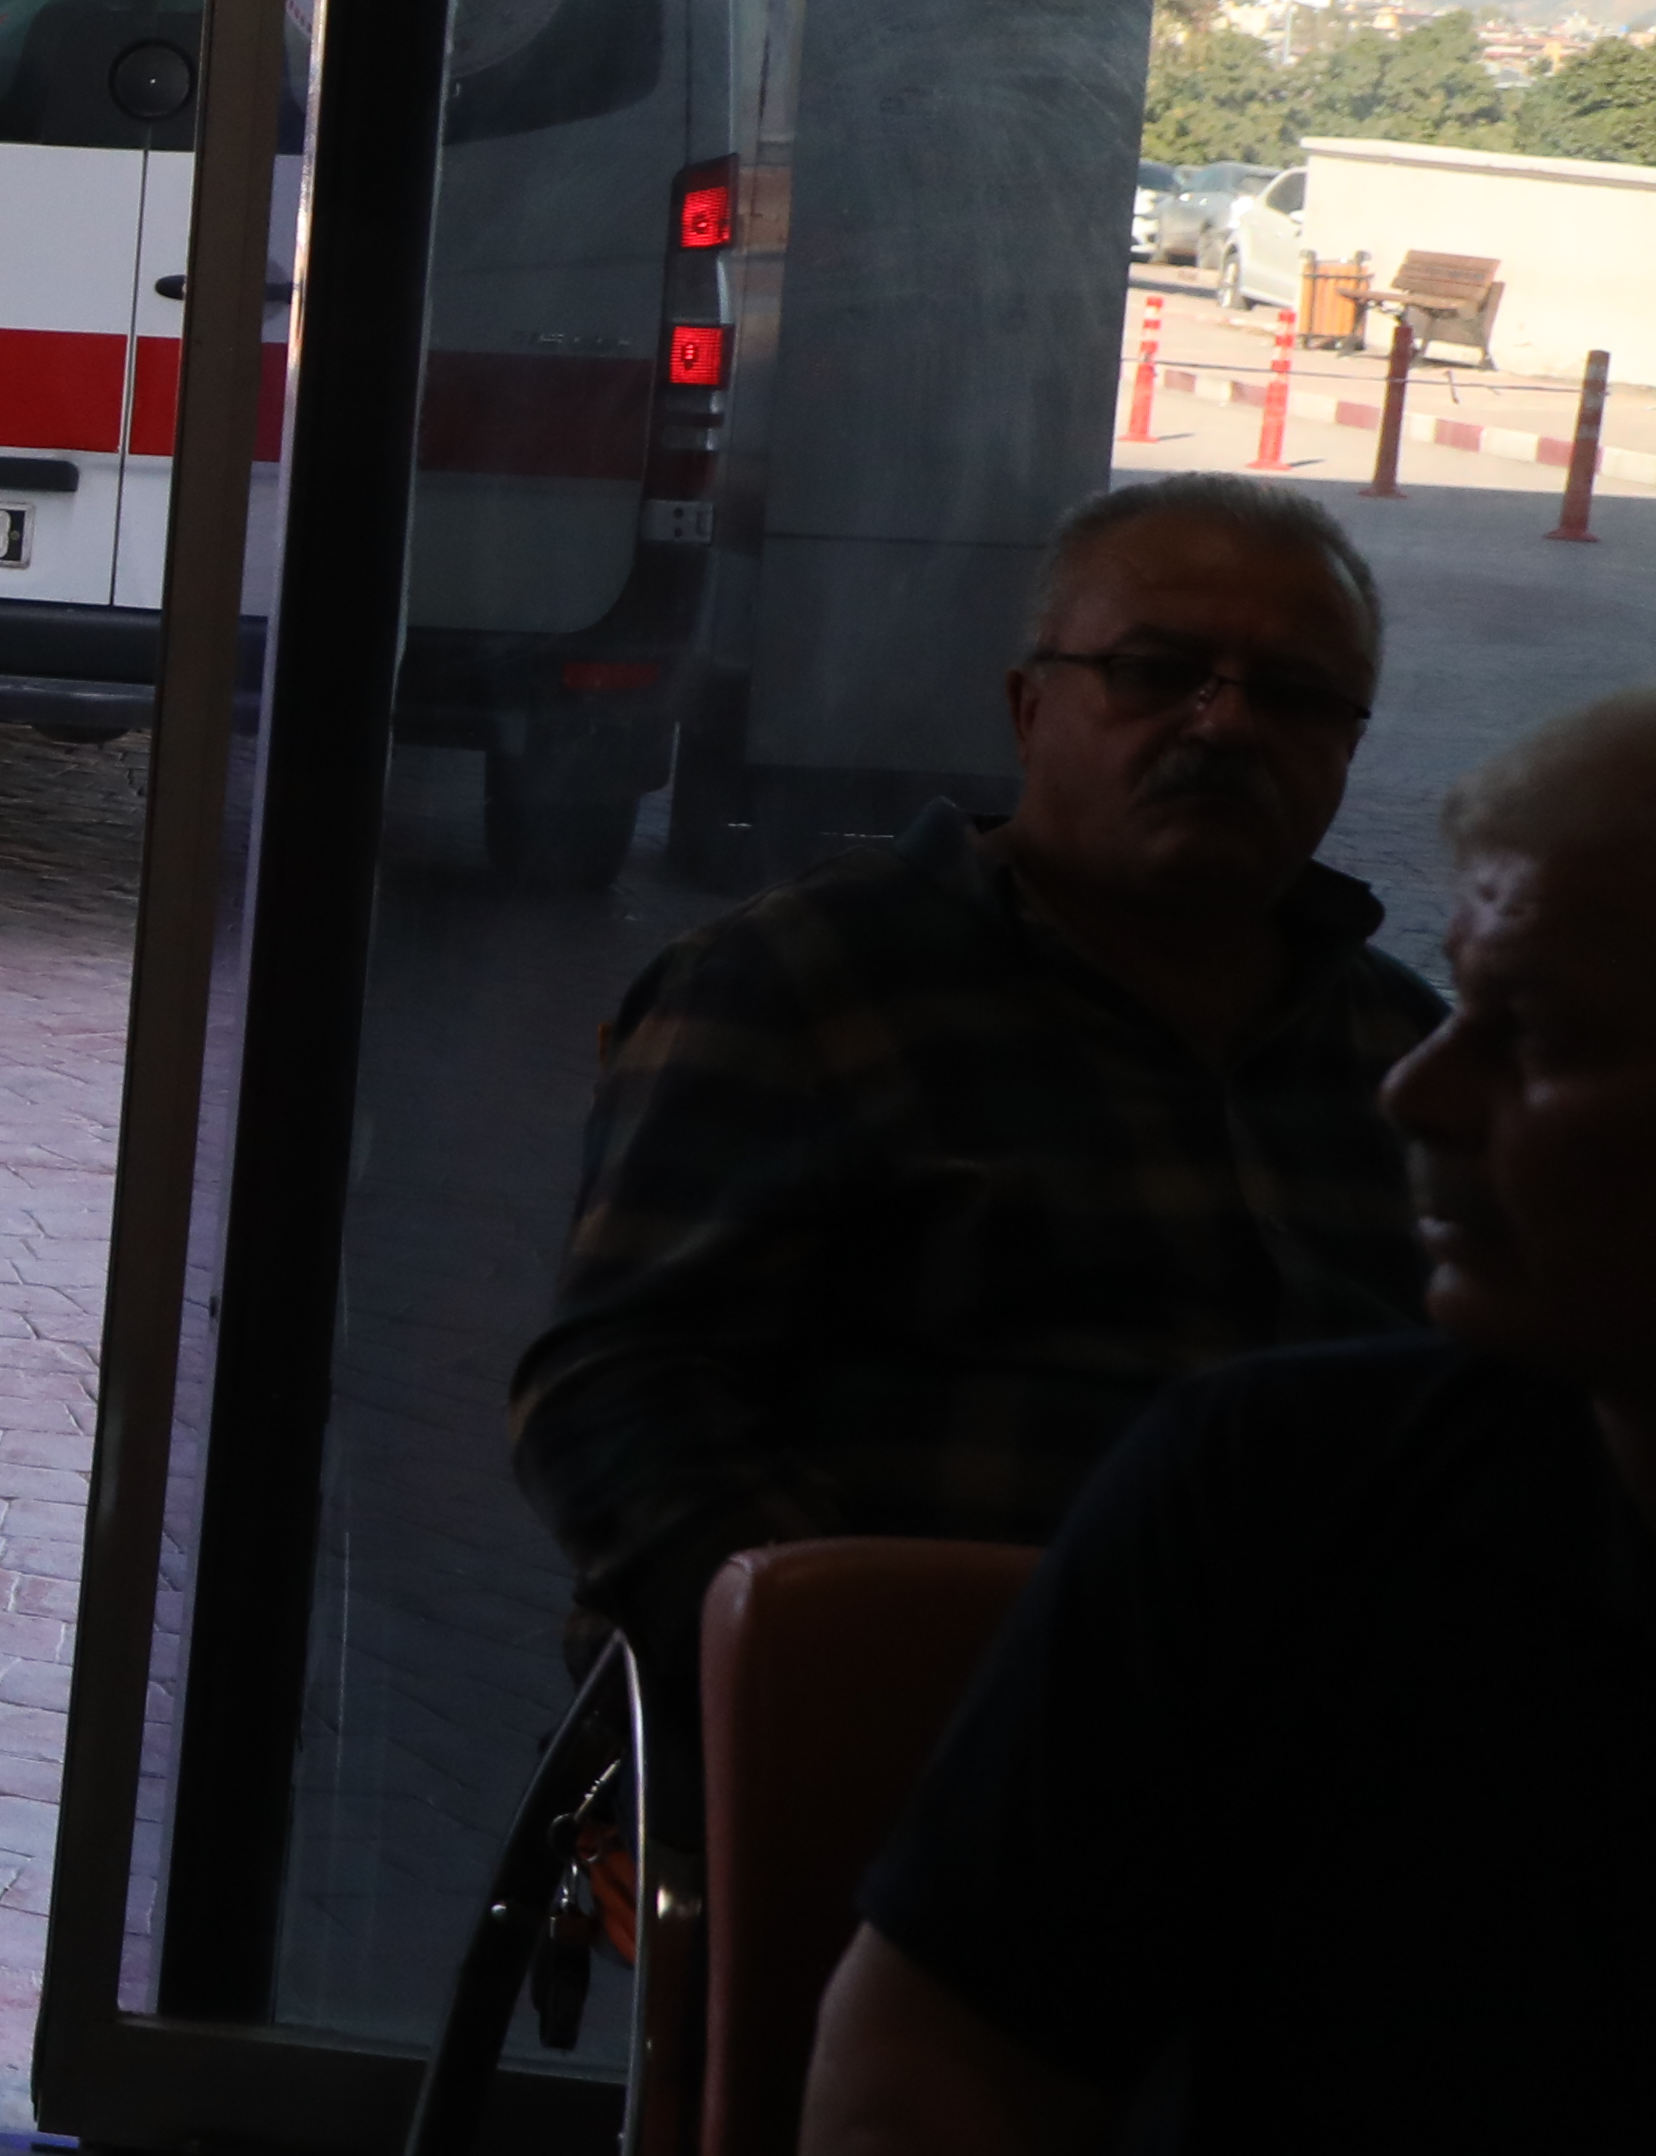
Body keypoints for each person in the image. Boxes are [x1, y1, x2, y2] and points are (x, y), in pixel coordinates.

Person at [748, 679, 1656, 2156]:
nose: (1426, 1093)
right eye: (1464, 1006)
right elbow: (936, 2073)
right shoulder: (1284, 1497)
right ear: (1023, 708)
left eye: (1537, 1035)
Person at [509, 476, 1435, 1696]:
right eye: (1154, 671)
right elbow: (615, 1398)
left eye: (1296, 696)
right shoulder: (806, 985)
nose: (1224, 725)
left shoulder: (1412, 1055)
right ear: (1027, 706)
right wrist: (869, 1684)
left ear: (1349, 746)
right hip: (887, 1768)